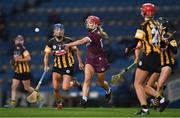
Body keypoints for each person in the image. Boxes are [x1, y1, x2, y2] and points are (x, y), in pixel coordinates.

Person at [125, 3, 169, 115]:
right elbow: (163, 43)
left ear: (145, 12)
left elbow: (135, 41)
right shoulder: (158, 24)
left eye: (142, 10)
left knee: (137, 83)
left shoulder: (143, 25)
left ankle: (146, 107)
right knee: (144, 85)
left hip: (148, 56)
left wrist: (128, 48)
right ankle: (160, 100)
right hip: (158, 57)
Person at [65, 15, 112, 108]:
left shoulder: (94, 34)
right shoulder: (93, 33)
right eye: (88, 22)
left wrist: (68, 45)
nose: (88, 24)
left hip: (100, 61)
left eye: (90, 23)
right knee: (87, 80)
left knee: (101, 82)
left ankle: (108, 91)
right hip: (90, 60)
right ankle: (84, 99)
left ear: (95, 25)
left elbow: (82, 41)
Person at [44, 23, 84, 109]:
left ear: (63, 31)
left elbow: (76, 51)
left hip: (68, 66)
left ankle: (73, 82)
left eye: (61, 30)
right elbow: (46, 55)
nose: (59, 32)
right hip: (56, 67)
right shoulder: (50, 42)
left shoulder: (69, 41)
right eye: (57, 30)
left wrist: (80, 62)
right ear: (54, 31)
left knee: (65, 88)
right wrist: (46, 65)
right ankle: (59, 103)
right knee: (55, 88)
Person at [146, 17, 177, 109]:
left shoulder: (169, 36)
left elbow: (175, 51)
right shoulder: (155, 36)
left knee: (159, 84)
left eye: (158, 24)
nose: (156, 25)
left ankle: (157, 102)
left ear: (163, 26)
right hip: (158, 64)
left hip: (167, 63)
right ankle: (160, 92)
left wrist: (168, 43)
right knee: (148, 86)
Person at [4, 35, 35, 108]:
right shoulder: (14, 50)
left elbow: (28, 58)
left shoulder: (24, 50)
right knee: (13, 86)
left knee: (27, 88)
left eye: (20, 40)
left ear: (22, 42)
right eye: (17, 40)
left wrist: (19, 60)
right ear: (15, 41)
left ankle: (39, 97)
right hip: (17, 71)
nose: (18, 41)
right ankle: (13, 103)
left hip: (25, 71)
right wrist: (13, 62)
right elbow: (14, 60)